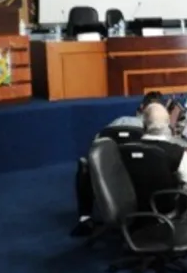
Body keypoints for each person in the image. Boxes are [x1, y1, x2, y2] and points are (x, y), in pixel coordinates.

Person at [72, 92, 167, 236]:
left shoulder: (118, 122)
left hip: (112, 179)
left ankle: (85, 218)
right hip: (141, 183)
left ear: (141, 107)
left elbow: (96, 148)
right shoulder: (157, 131)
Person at [139, 103, 187, 185]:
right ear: (167, 124)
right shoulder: (176, 151)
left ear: (144, 123)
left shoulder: (130, 148)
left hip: (134, 197)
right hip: (166, 197)